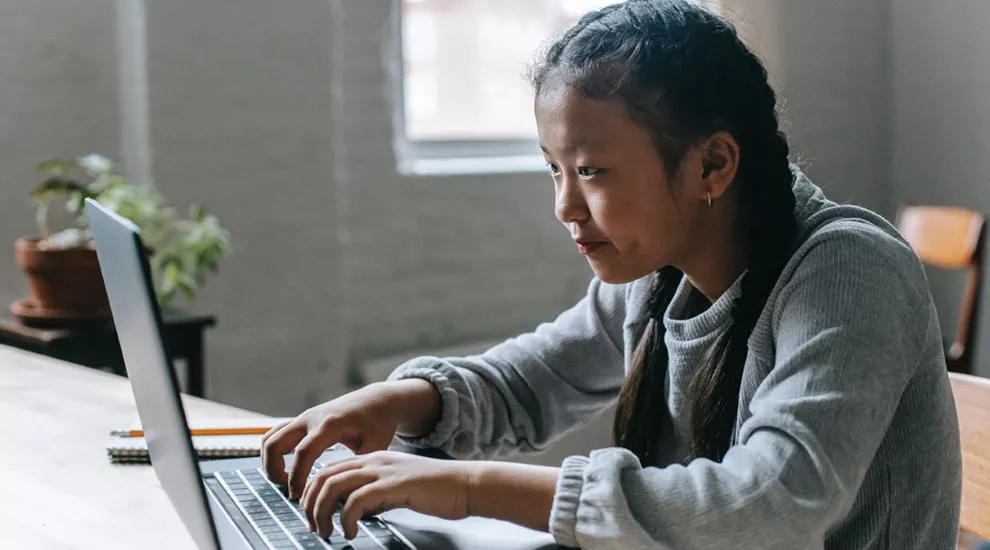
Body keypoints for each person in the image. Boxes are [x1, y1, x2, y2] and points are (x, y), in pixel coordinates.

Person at [262, 1, 962, 548]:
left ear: (712, 165)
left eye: (592, 171)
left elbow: (770, 504)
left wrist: (471, 486)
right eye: (554, 170)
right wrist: (397, 401)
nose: (565, 207)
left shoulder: (848, 270)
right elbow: (530, 381)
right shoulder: (654, 275)